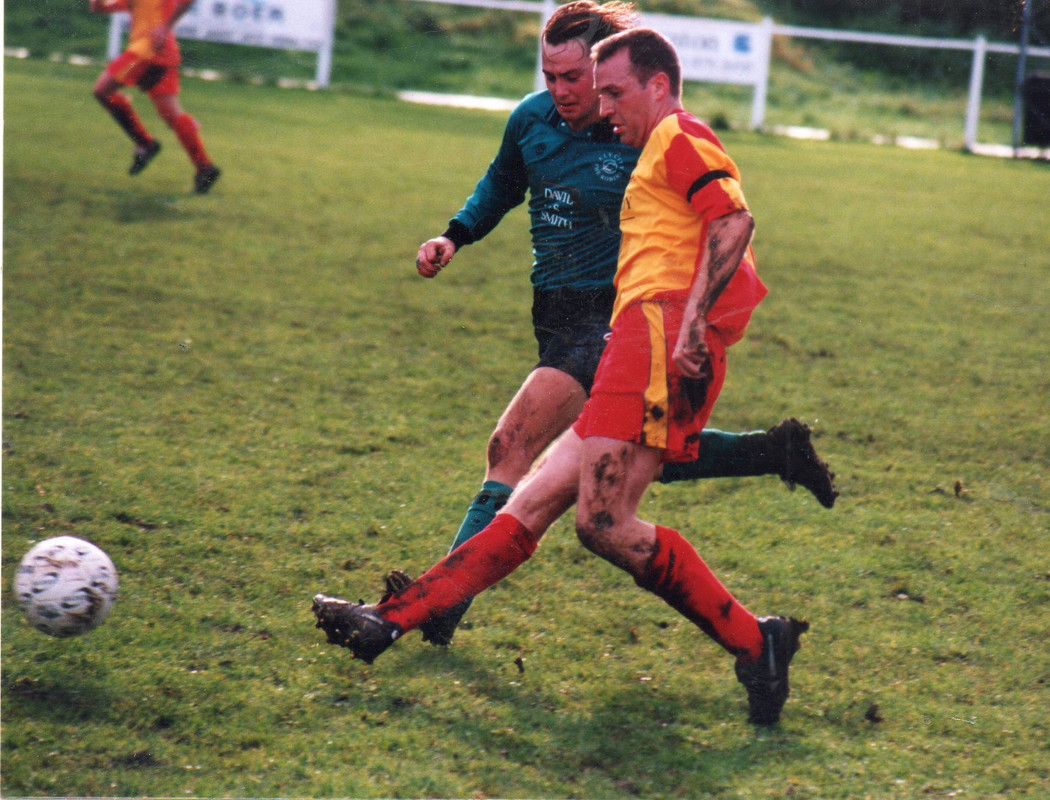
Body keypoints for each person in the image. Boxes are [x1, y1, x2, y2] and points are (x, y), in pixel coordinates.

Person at [315, 27, 809, 726]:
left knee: (602, 522)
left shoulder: (679, 134)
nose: (605, 108)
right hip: (630, 339)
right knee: (533, 500)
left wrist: (695, 322)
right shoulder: (649, 150)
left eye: (615, 92)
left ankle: (755, 640)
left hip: (655, 337)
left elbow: (733, 220)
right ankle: (387, 622)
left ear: (658, 85)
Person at [404, 0, 834, 648]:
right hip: (554, 312)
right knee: (615, 457)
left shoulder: (640, 132)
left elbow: (714, 216)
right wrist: (455, 234)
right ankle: (770, 452)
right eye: (550, 76)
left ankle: (440, 604)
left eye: (576, 78)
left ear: (607, 70)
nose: (563, 91)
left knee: (513, 445)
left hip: (611, 320)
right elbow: (502, 183)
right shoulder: (531, 120)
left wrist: (697, 313)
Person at [90, 0, 221, 193]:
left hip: (147, 50)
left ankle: (145, 143)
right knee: (173, 115)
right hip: (160, 52)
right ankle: (205, 167)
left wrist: (165, 26)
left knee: (102, 89)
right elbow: (99, 7)